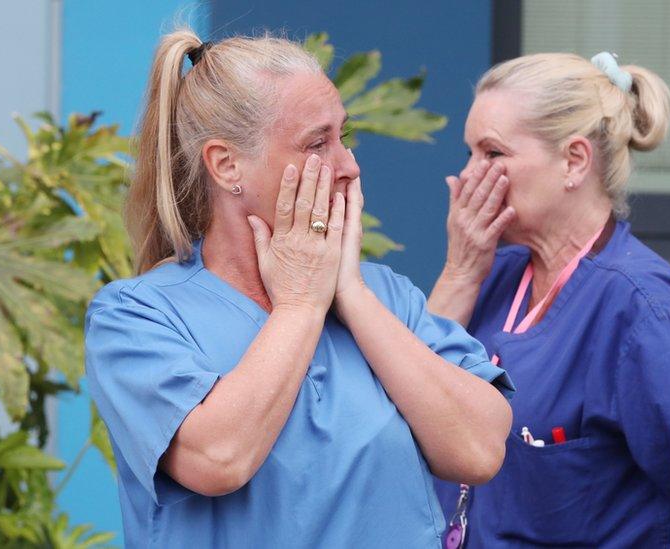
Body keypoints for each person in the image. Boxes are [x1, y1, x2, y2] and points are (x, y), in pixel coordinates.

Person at [83, 30, 514, 548]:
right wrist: (301, 304)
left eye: (343, 138)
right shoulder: (135, 316)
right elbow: (219, 458)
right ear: (227, 165)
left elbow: (479, 449)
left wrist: (350, 294)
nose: (349, 166)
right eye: (317, 144)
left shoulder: (385, 296)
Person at [428, 52, 670, 547]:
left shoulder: (640, 303)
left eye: (492, 154)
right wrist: (460, 271)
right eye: (468, 154)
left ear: (574, 161)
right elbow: (408, 404)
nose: (468, 177)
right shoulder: (493, 273)